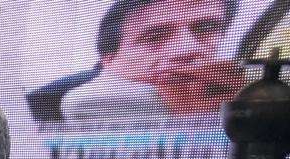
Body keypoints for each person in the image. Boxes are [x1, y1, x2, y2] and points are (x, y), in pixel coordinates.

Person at [27, 0, 241, 121]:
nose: (187, 49)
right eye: (154, 37)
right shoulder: (43, 108)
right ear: (109, 60)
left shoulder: (238, 90)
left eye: (207, 28)